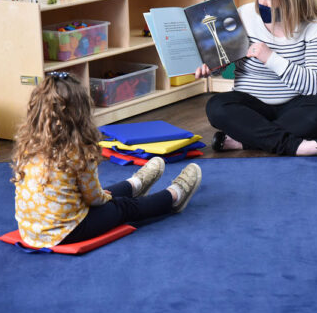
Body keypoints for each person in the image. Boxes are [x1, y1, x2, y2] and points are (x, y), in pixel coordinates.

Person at [11, 71, 202, 249]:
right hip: (67, 232)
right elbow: (94, 198)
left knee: (105, 194)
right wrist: (105, 198)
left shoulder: (29, 145)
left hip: (31, 231)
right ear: (80, 114)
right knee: (122, 207)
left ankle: (135, 184)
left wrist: (103, 195)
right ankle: (174, 196)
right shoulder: (76, 151)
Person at [196, 0, 317, 157]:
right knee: (216, 106)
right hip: (250, 104)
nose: (261, 2)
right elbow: (227, 61)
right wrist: (213, 67)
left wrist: (270, 58)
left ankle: (245, 140)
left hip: (296, 103)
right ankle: (292, 146)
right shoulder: (244, 15)